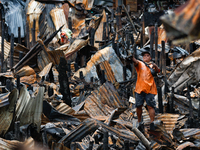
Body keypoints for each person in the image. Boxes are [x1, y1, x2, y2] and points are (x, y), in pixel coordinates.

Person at [132, 51, 160, 131]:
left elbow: (158, 71)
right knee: (138, 106)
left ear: (150, 58)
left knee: (150, 106)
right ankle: (140, 122)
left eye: (148, 55)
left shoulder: (152, 65)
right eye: (144, 56)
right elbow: (135, 62)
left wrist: (155, 66)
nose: (146, 57)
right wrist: (132, 58)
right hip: (140, 89)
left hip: (150, 89)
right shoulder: (140, 63)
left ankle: (152, 123)